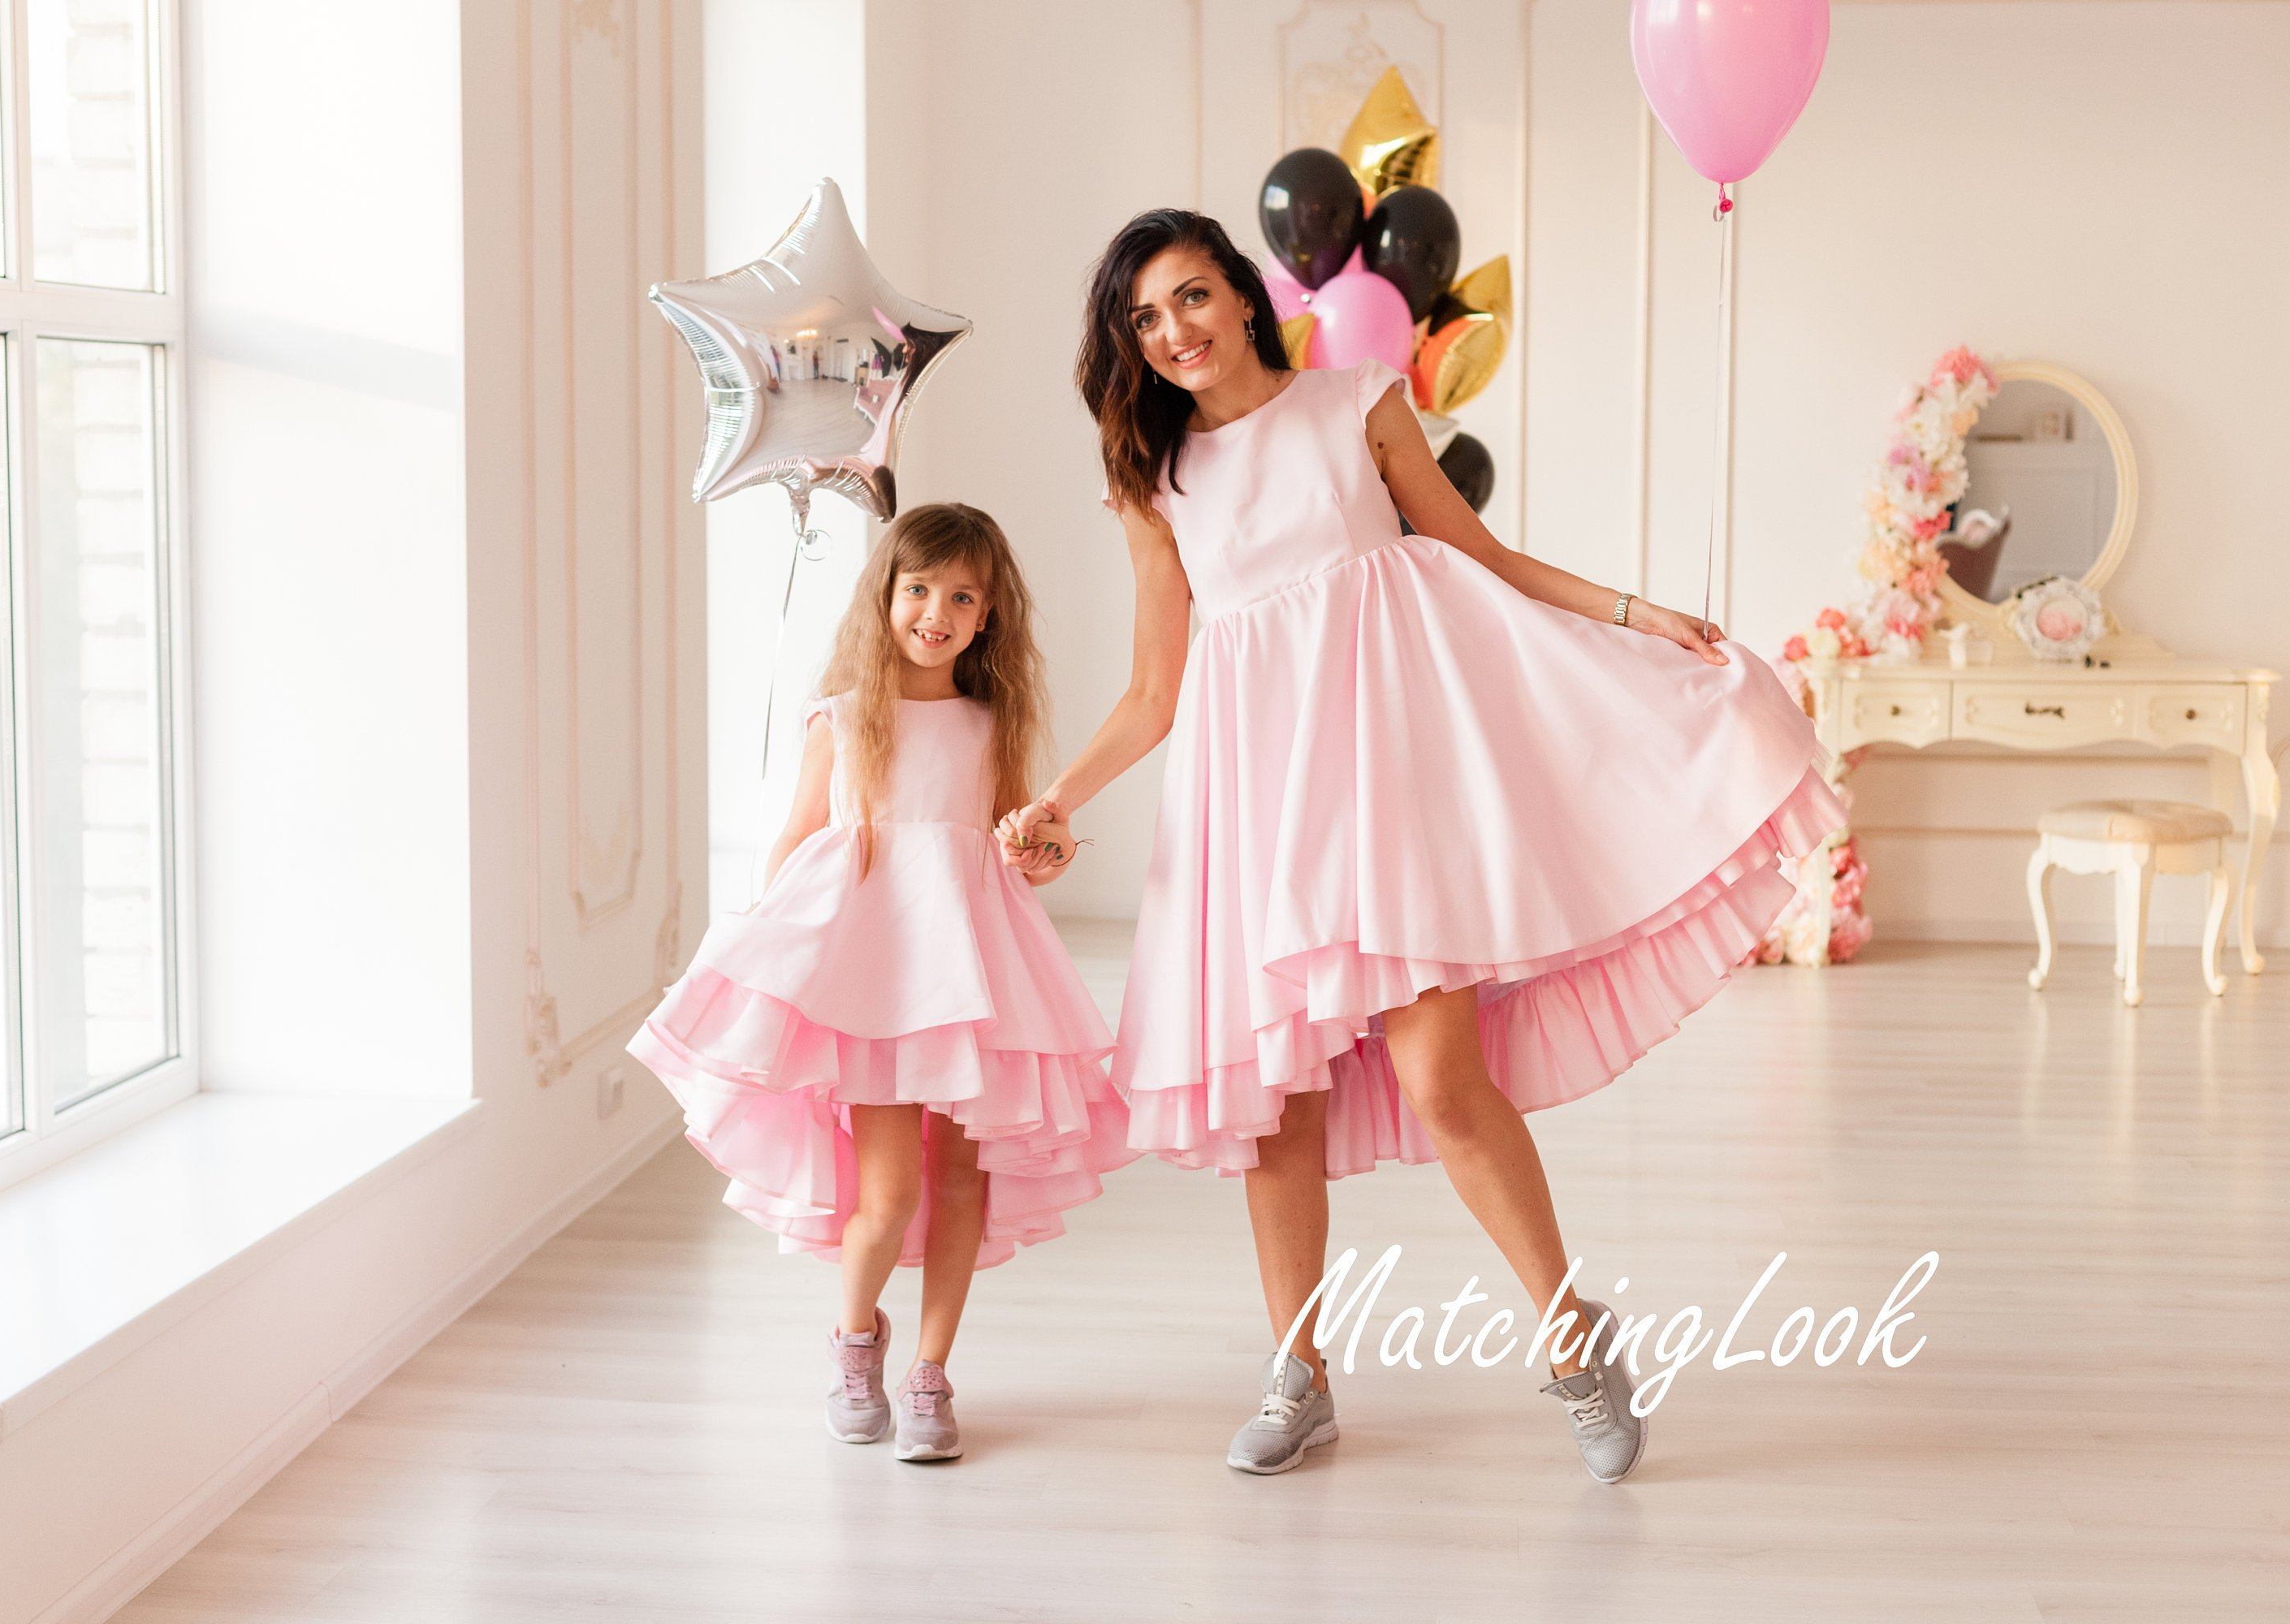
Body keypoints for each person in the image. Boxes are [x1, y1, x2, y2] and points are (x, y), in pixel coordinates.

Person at [996, 209, 1846, 1480]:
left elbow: (1479, 556)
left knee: (1448, 1083)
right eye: (1143, 319)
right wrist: (1057, 798)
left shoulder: (1355, 405)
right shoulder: (1155, 479)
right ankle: (1300, 1375)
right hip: (1260, 812)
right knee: (1273, 1108)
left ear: (1241, 292)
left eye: (1189, 298)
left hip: (1387, 793)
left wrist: (1637, 612)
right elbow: (1157, 691)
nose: (1172, 333)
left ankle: (1573, 1341)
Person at [632, 502, 1132, 1463]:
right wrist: (771, 953)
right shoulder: (842, 712)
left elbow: (1002, 844)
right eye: (918, 589)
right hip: (874, 973)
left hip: (971, 972)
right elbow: (801, 835)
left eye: (961, 596)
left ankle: (932, 1372)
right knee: (889, 1193)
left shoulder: (992, 720)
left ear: (988, 616)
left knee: (961, 1178)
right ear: (886, 595)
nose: (935, 611)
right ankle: (857, 1340)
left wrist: (1042, 855)